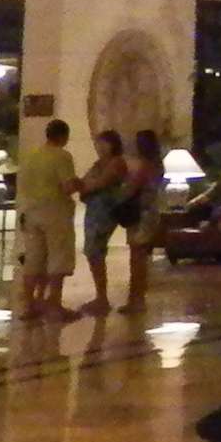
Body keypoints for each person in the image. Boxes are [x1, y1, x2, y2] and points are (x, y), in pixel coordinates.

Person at [14, 120, 82, 323]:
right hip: (55, 213)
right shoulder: (61, 156)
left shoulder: (31, 156)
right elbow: (67, 187)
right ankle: (54, 306)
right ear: (63, 136)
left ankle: (29, 305)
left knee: (33, 260)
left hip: (30, 212)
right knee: (57, 259)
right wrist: (80, 183)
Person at [75, 130, 129, 316]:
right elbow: (84, 182)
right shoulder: (98, 164)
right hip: (94, 209)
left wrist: (87, 186)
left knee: (96, 249)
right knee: (92, 251)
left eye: (104, 143)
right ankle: (100, 296)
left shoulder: (116, 162)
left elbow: (100, 183)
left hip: (105, 211)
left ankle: (102, 297)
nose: (100, 147)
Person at [119, 130, 168, 319]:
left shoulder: (146, 166)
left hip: (141, 214)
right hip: (151, 211)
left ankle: (136, 299)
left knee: (137, 258)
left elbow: (131, 189)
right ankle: (137, 298)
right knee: (140, 256)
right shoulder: (158, 165)